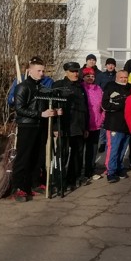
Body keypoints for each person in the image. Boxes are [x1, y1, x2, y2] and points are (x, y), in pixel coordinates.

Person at [11, 57, 60, 201]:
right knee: (24, 157)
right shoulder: (23, 87)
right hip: (27, 126)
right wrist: (40, 114)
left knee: (38, 157)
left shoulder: (42, 88)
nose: (41, 73)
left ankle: (34, 183)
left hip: (41, 126)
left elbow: (45, 106)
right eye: (38, 71)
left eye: (43, 71)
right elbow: (20, 109)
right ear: (30, 71)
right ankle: (19, 187)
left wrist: (54, 111)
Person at [53, 61, 89, 191]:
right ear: (66, 72)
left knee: (77, 155)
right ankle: (59, 182)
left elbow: (85, 108)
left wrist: (86, 127)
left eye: (77, 71)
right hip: (64, 127)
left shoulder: (81, 87)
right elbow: (52, 106)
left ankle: (72, 179)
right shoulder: (58, 86)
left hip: (79, 127)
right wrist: (55, 128)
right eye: (72, 71)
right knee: (62, 155)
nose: (75, 74)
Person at [102, 70, 131, 183]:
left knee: (123, 148)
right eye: (121, 77)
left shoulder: (130, 88)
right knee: (113, 148)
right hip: (114, 124)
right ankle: (111, 171)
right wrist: (121, 104)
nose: (123, 79)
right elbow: (105, 105)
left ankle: (119, 167)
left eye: (125, 77)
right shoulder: (110, 86)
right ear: (116, 77)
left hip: (127, 124)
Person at [81, 67, 105, 184]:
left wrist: (102, 117)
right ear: (83, 77)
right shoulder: (81, 88)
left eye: (92, 76)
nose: (90, 78)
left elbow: (102, 105)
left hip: (96, 123)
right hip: (84, 123)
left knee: (93, 148)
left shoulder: (98, 88)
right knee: (81, 149)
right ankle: (78, 171)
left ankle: (89, 170)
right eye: (88, 76)